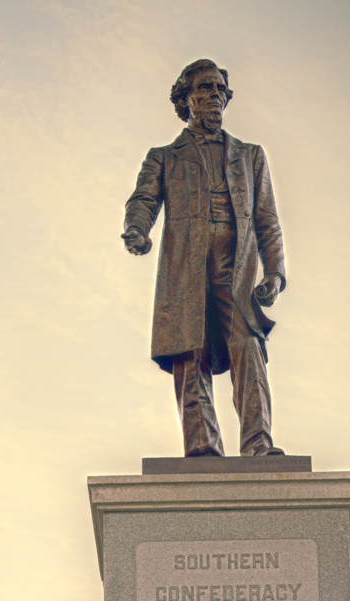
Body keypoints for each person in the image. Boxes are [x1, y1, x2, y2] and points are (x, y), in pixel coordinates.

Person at [123, 59, 287, 458]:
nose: (213, 95)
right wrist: (137, 229)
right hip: (186, 266)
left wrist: (276, 273)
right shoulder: (164, 156)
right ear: (186, 99)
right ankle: (201, 447)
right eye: (203, 88)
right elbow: (143, 198)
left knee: (247, 345)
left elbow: (267, 217)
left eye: (218, 88)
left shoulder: (250, 155)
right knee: (189, 349)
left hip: (238, 265)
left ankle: (258, 444)